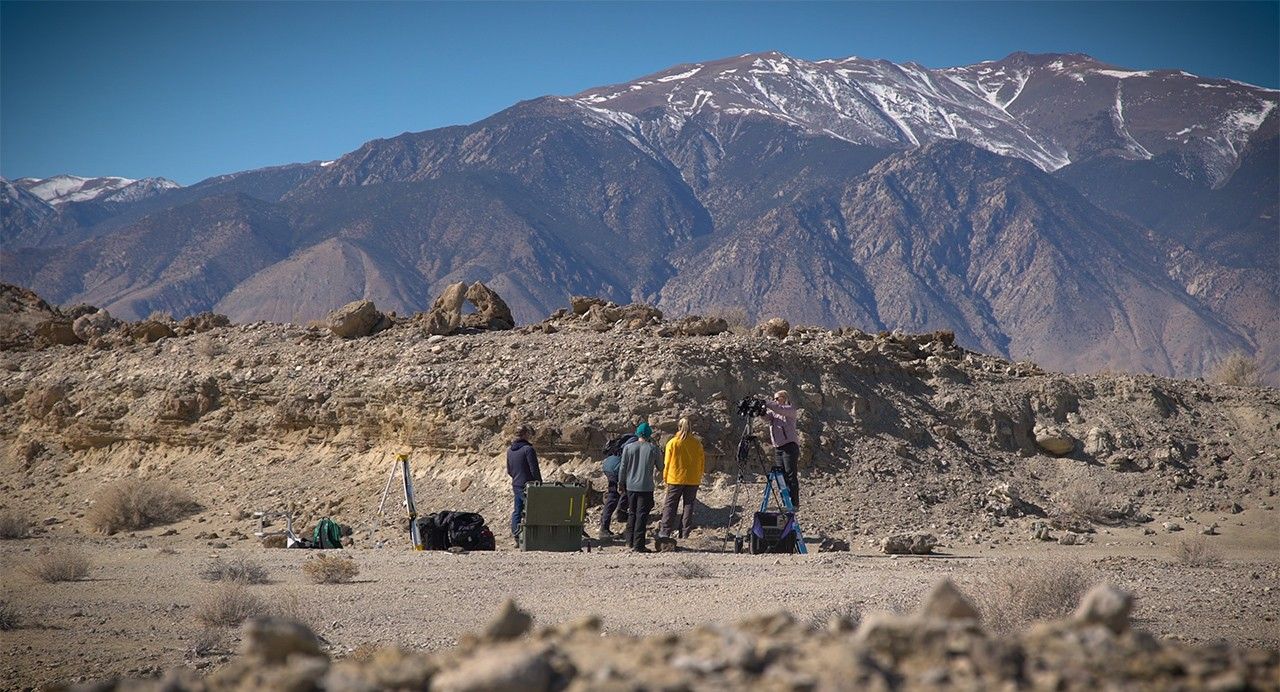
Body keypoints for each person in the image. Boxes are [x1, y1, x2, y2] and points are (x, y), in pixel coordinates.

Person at [618, 422, 663, 552]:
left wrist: (621, 483)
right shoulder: (653, 448)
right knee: (642, 515)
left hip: (630, 486)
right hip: (646, 487)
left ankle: (629, 542)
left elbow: (623, 467)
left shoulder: (628, 447)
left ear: (637, 433)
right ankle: (639, 545)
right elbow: (661, 467)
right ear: (649, 434)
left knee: (631, 513)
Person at [660, 417, 705, 539]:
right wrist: (698, 476)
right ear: (691, 428)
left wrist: (665, 477)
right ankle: (685, 533)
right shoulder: (697, 443)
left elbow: (667, 462)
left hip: (675, 478)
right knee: (689, 505)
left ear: (679, 427)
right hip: (692, 479)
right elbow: (701, 462)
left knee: (670, 505)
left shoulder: (673, 443)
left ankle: (665, 532)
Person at [760, 390, 801, 509]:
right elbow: (766, 418)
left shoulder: (790, 409)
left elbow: (779, 409)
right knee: (781, 476)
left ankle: (794, 503)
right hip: (778, 447)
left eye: (777, 398)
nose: (775, 401)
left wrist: (766, 403)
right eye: (774, 399)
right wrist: (761, 411)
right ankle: (785, 502)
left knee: (790, 474)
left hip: (789, 446)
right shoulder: (775, 413)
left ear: (785, 398)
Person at [506, 424, 541, 541]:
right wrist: (539, 483)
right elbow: (534, 469)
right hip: (529, 485)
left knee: (517, 510)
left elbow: (509, 470)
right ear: (525, 434)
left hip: (516, 484)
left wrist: (517, 478)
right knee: (532, 511)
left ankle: (516, 535)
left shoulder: (510, 450)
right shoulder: (528, 449)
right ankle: (530, 537)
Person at [599, 432, 636, 537]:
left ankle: (621, 513)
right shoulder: (634, 442)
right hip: (616, 467)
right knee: (614, 495)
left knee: (624, 490)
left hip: (609, 464)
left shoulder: (627, 438)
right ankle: (604, 528)